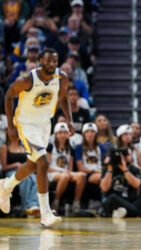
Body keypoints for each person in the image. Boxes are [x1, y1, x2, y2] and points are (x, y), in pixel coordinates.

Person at [0, 48, 74, 226]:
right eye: (48, 61)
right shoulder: (27, 79)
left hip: (44, 124)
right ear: (41, 60)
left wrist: (69, 120)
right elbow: (9, 97)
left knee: (33, 165)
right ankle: (45, 213)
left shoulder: (61, 78)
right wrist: (11, 126)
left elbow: (63, 98)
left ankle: (5, 187)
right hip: (26, 124)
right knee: (43, 162)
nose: (51, 64)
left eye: (54, 61)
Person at [100, 148, 141, 218]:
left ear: (132, 157)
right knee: (112, 197)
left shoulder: (134, 169)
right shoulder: (109, 168)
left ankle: (124, 212)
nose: (125, 157)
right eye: (122, 155)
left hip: (130, 201)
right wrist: (109, 168)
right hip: (114, 201)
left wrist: (124, 169)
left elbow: (136, 184)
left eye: (127, 155)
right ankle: (140, 213)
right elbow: (104, 188)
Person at [47, 122, 86, 213]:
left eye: (65, 133)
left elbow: (70, 168)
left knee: (82, 175)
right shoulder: (50, 146)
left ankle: (76, 203)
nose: (63, 135)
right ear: (56, 134)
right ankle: (56, 202)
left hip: (65, 173)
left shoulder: (70, 148)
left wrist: (67, 171)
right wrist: (61, 172)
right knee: (65, 176)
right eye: (60, 133)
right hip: (52, 172)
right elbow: (47, 167)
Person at [0, 134, 40, 216]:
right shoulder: (5, 147)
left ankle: (34, 204)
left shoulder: (24, 147)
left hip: (25, 171)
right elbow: (4, 167)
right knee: (25, 180)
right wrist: (16, 164)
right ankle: (26, 206)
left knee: (36, 179)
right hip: (11, 171)